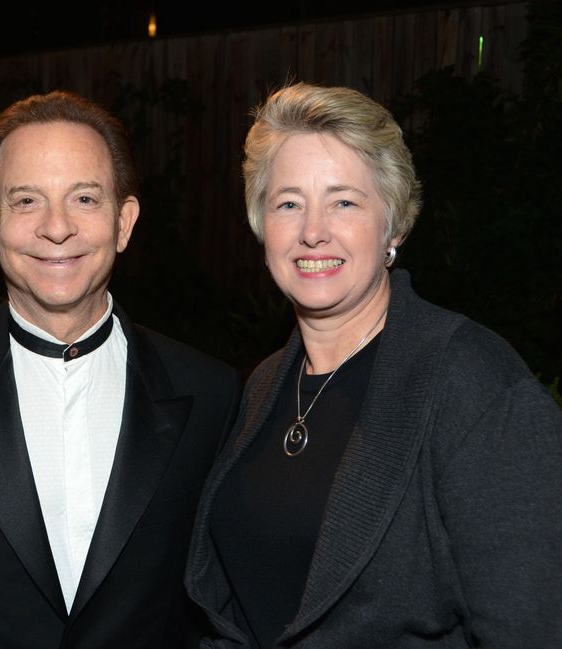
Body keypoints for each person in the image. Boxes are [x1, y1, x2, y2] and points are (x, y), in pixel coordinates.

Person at [185, 82, 562, 648]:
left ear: (394, 225)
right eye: (288, 202)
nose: (313, 230)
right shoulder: (264, 384)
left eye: (344, 201)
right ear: (262, 226)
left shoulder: (472, 383)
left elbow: (531, 626)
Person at [0, 90, 241, 647]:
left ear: (124, 221)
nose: (56, 227)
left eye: (85, 198)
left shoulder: (212, 395)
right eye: (26, 202)